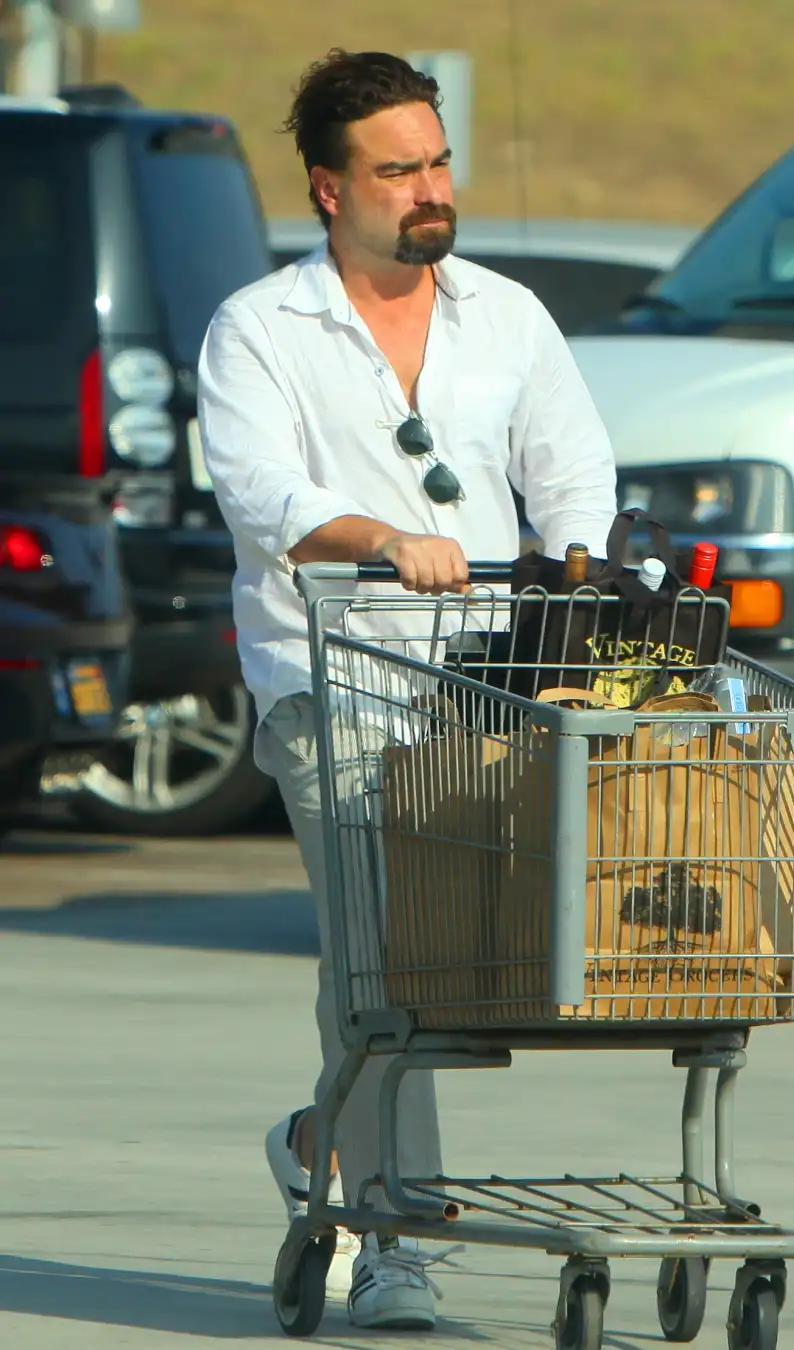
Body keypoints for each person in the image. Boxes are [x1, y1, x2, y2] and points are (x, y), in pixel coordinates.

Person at [197, 47, 618, 1332]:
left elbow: (572, 473)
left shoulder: (508, 316)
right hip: (331, 680)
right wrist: (383, 538)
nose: (430, 189)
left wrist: (581, 579)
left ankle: (319, 1142)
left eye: (437, 163)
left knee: (463, 961)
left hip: (486, 687)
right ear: (331, 190)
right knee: (384, 961)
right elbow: (261, 493)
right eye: (398, 171)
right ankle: (399, 1243)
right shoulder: (259, 329)